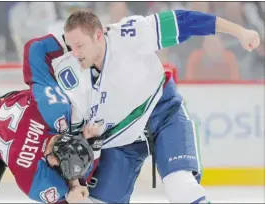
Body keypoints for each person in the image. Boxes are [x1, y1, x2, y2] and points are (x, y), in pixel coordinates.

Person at [60, 9, 260, 203]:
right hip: (119, 140)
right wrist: (75, 184)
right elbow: (74, 136)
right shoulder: (72, 75)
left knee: (182, 189)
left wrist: (240, 32)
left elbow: (184, 21)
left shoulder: (129, 34)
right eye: (71, 47)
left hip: (163, 115)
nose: (75, 53)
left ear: (98, 36)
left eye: (80, 45)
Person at [0, 35, 99, 204]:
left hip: (4, 113)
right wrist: (74, 188)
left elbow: (35, 48)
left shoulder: (52, 107)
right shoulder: (35, 179)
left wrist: (74, 41)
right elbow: (73, 186)